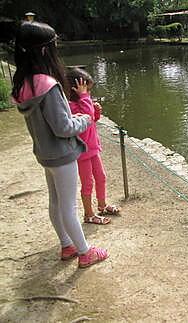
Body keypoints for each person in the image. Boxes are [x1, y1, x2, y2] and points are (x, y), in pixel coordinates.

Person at [12, 21, 108, 268]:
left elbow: (51, 121)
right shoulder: (48, 85)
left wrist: (72, 117)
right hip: (63, 155)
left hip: (45, 154)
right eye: (54, 46)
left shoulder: (25, 83)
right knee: (68, 206)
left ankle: (67, 246)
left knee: (55, 202)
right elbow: (63, 128)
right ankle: (86, 252)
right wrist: (85, 118)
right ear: (44, 50)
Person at [66, 67, 120, 225]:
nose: (88, 94)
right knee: (87, 183)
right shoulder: (70, 106)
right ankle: (88, 214)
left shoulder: (83, 102)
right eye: (86, 90)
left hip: (93, 148)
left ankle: (102, 205)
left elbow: (91, 120)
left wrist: (96, 112)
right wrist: (86, 101)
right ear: (75, 89)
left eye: (89, 91)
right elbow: (85, 118)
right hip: (82, 152)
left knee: (101, 177)